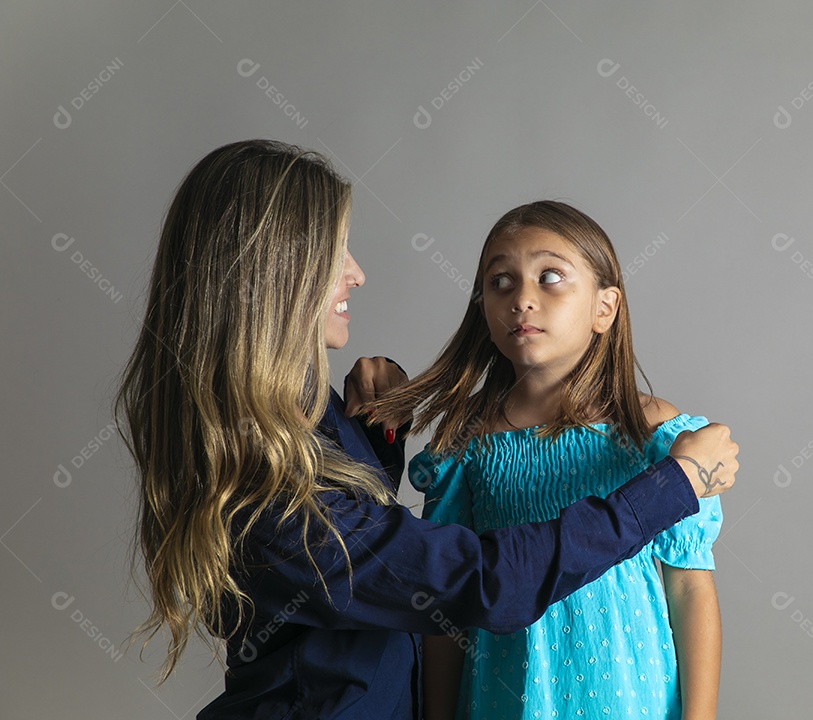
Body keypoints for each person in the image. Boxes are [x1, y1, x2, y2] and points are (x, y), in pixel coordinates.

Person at [114, 140, 738, 720]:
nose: (356, 274)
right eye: (336, 255)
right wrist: (674, 484)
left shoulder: (302, 420)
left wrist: (373, 444)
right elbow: (480, 584)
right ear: (274, 276)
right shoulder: (261, 480)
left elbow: (368, 558)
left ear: (607, 305)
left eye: (550, 278)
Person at [366, 201, 724, 719]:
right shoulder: (466, 446)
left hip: (632, 700)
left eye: (550, 276)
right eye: (501, 282)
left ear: (605, 308)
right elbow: (447, 606)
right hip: (503, 701)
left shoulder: (652, 434)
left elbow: (691, 586)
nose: (522, 300)